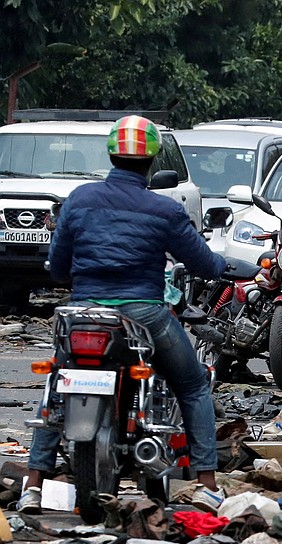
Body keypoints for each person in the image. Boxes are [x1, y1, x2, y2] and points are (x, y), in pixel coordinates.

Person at [18, 115, 228, 515]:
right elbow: (204, 263)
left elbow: (58, 265)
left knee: (58, 388)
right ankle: (207, 484)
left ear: (111, 154)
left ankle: (33, 485)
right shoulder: (164, 210)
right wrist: (227, 266)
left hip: (82, 313)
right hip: (143, 314)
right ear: (151, 160)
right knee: (194, 385)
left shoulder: (79, 199)